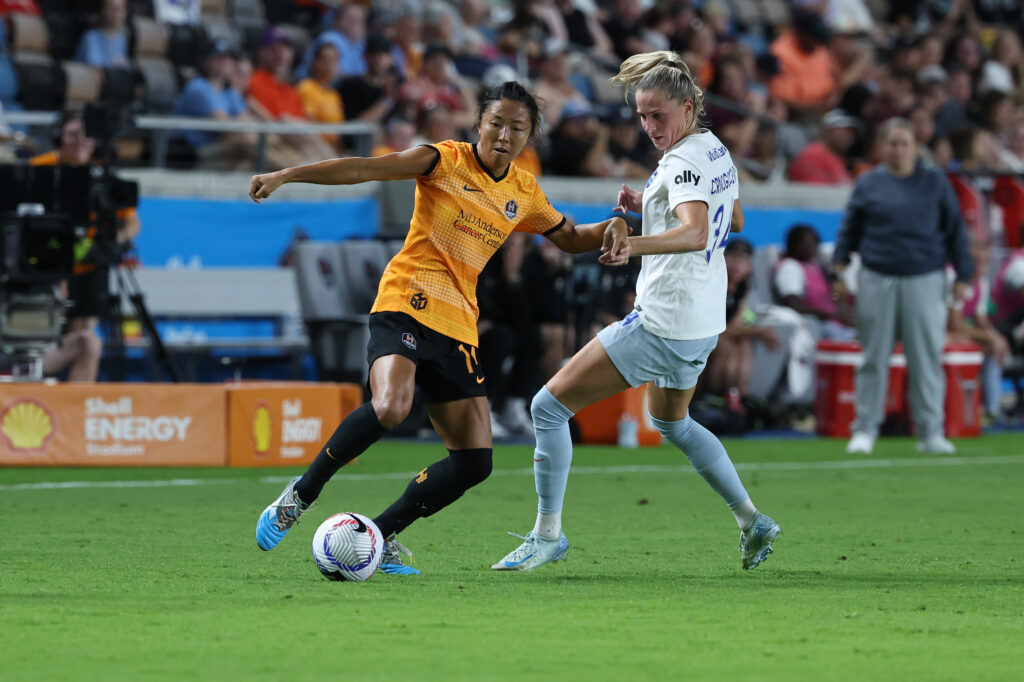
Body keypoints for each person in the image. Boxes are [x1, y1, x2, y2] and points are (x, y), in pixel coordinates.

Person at [248, 81, 631, 574]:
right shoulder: (443, 160)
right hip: (406, 298)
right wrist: (287, 174)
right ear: (478, 124)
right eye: (495, 123)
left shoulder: (524, 191)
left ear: (529, 136)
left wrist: (620, 221)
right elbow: (367, 167)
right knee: (390, 406)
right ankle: (298, 497)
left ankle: (377, 538)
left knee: (475, 462)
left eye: (517, 128)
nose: (503, 135)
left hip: (458, 323)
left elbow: (573, 238)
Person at [491, 51, 780, 573]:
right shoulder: (713, 150)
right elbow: (732, 218)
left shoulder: (683, 160)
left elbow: (694, 232)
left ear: (688, 106)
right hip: (701, 322)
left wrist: (634, 243)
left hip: (663, 320)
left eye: (658, 115)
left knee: (547, 408)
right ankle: (751, 518)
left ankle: (546, 534)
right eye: (642, 116)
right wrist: (650, 199)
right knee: (672, 422)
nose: (649, 127)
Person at [833, 118, 974, 456]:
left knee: (926, 358)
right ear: (882, 147)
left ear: (915, 147)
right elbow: (849, 227)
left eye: (904, 143)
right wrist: (839, 266)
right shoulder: (868, 183)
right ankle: (865, 429)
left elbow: (956, 231)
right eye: (892, 143)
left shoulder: (935, 183)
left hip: (926, 276)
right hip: (876, 275)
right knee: (873, 357)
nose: (898, 149)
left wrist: (964, 276)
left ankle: (931, 431)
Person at [29, 109, 140, 381]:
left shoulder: (101, 176)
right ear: (58, 137)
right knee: (50, 341)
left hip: (89, 267)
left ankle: (76, 407)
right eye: (72, 134)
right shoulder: (40, 168)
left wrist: (111, 242)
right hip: (47, 270)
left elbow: (133, 223)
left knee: (86, 338)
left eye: (86, 136)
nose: (80, 142)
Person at [73, 0, 129, 68]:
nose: (117, 12)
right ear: (103, 10)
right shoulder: (90, 38)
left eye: (121, 8)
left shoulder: (122, 40)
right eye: (112, 7)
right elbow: (94, 68)